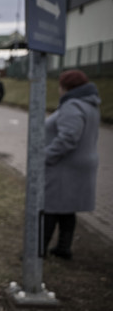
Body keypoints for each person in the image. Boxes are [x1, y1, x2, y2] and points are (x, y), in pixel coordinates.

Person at [43, 69, 100, 260]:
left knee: (49, 206)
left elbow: (68, 138)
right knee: (67, 209)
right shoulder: (90, 104)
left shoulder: (72, 105)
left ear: (65, 87)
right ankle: (63, 248)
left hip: (63, 166)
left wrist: (46, 156)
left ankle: (38, 249)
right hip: (78, 165)